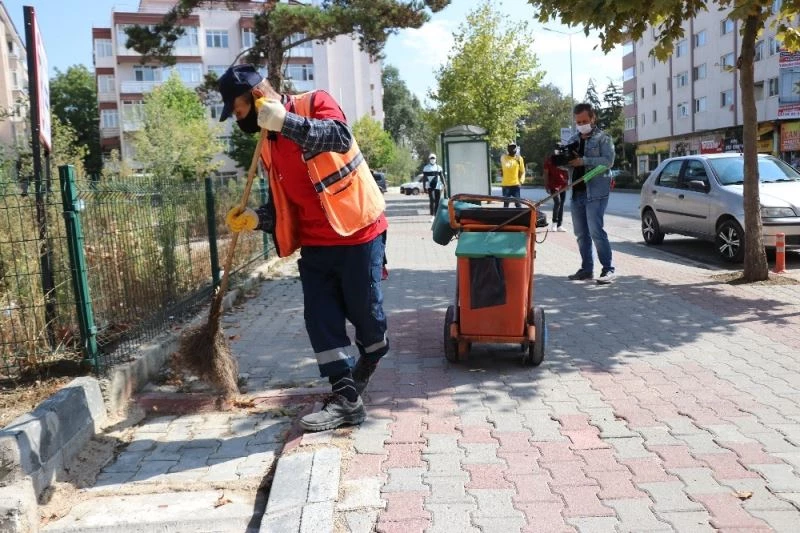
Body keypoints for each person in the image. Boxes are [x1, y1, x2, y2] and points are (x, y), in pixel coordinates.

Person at [219, 64, 389, 431]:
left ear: (257, 94)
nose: (237, 118)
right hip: (315, 244)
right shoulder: (267, 145)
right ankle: (345, 398)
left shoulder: (316, 102)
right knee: (320, 319)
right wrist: (255, 217)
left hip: (357, 230)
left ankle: (374, 351)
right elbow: (286, 205)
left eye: (238, 108)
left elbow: (340, 137)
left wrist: (288, 123)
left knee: (366, 317)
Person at [563, 103, 616, 284]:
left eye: (585, 120)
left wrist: (583, 161)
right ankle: (586, 269)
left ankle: (608, 269)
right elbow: (568, 163)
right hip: (577, 192)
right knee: (580, 233)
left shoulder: (604, 138)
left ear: (593, 118)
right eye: (578, 121)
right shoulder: (572, 140)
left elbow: (608, 161)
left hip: (596, 191)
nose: (582, 124)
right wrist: (561, 160)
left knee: (596, 231)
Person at [543, 153, 568, 232]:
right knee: (558, 202)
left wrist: (568, 182)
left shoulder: (565, 158)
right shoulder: (549, 160)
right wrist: (546, 185)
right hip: (553, 185)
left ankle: (559, 225)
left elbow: (569, 171)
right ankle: (554, 223)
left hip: (563, 184)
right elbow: (546, 173)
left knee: (562, 204)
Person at [500, 142, 525, 208]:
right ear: (508, 149)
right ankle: (506, 218)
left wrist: (521, 182)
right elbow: (505, 166)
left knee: (518, 204)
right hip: (506, 185)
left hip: (516, 185)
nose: (512, 149)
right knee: (506, 205)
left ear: (516, 149)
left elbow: (522, 172)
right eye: (510, 147)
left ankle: (520, 218)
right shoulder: (503, 158)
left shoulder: (519, 159)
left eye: (514, 147)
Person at [422, 153, 444, 218]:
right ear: (429, 159)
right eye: (431, 158)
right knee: (431, 200)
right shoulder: (426, 168)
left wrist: (444, 184)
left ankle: (436, 214)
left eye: (433, 158)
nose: (432, 159)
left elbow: (442, 176)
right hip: (430, 185)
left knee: (437, 200)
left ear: (435, 159)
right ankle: (432, 215)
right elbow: (424, 178)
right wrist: (424, 187)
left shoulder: (438, 167)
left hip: (438, 185)